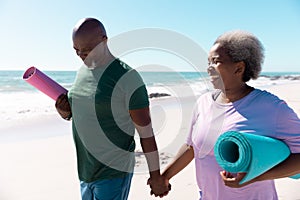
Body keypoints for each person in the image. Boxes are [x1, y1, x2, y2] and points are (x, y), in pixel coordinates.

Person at [151, 30, 300, 199]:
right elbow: (192, 146)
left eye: (216, 62)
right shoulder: (203, 103)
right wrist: (164, 176)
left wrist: (255, 176)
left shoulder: (272, 108)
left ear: (239, 68)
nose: (209, 68)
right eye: (208, 62)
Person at [55, 17, 170, 200]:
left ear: (104, 40)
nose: (81, 55)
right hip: (85, 171)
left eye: (86, 50)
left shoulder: (128, 78)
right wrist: (66, 113)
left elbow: (146, 133)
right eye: (76, 50)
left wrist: (155, 176)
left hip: (113, 173)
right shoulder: (82, 72)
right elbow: (86, 112)